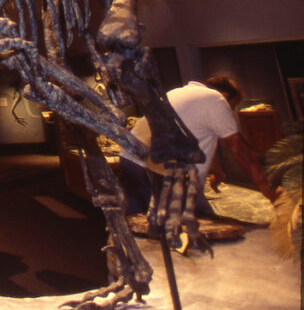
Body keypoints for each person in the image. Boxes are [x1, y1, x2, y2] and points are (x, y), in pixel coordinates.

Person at [119, 76, 280, 217]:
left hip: (131, 159)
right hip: (156, 168)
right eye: (233, 106)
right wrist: (267, 189)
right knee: (173, 227)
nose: (231, 110)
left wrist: (217, 170)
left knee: (140, 220)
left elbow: (198, 135)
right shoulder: (216, 100)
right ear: (225, 96)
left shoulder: (180, 93)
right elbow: (238, 148)